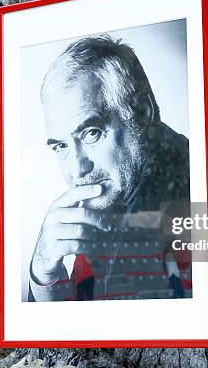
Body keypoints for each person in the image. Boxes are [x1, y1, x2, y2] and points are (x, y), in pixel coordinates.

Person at [29, 35, 190, 302]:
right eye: (61, 146)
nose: (78, 169)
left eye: (91, 133)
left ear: (141, 112)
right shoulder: (110, 200)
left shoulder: (200, 198)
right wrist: (45, 274)